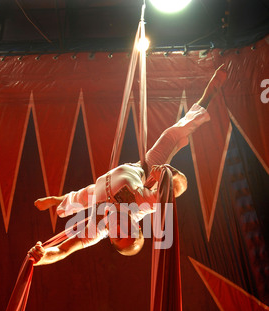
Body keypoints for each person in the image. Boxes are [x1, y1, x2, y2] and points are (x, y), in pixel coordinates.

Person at [29, 65, 227, 265]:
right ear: (136, 227)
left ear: (111, 238)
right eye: (127, 231)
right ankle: (209, 95)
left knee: (84, 196)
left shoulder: (97, 228)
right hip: (147, 169)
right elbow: (179, 188)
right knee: (172, 135)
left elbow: (64, 250)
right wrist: (168, 176)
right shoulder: (141, 205)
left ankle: (57, 201)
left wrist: (42, 257)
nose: (118, 228)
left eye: (117, 235)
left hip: (98, 191)